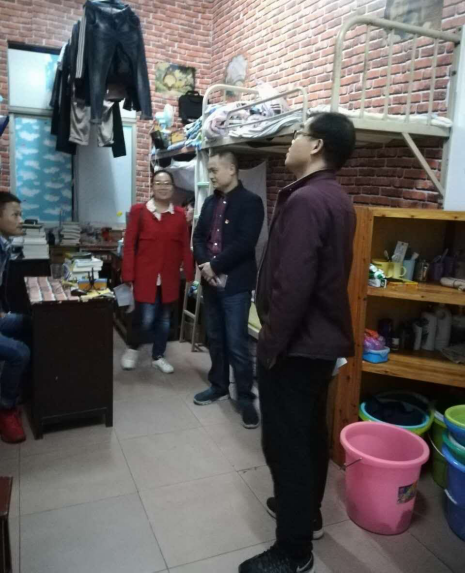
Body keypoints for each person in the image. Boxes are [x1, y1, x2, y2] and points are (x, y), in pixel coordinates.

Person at [240, 113, 357, 574]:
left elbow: (293, 285)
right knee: (308, 436)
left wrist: (269, 343)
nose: (290, 142)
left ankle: (293, 551)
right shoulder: (336, 197)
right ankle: (307, 515)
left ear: (317, 145)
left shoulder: (307, 200)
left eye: (297, 134)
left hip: (296, 345)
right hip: (318, 344)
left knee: (284, 445)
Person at [193, 151, 265, 429]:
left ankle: (245, 398)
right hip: (210, 282)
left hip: (235, 283)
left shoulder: (251, 202)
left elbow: (246, 243)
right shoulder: (210, 202)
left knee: (236, 343)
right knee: (215, 337)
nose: (210, 175)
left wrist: (215, 265)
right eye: (209, 170)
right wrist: (204, 266)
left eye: (214, 170)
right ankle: (219, 386)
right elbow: (199, 237)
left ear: (232, 169)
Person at [121, 170, 194, 374]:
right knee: (145, 319)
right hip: (145, 276)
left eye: (167, 183)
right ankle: (132, 348)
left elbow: (184, 246)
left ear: (173, 187)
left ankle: (158, 356)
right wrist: (128, 274)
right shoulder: (139, 211)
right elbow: (129, 245)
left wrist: (189, 274)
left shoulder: (179, 215)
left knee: (164, 320)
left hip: (169, 277)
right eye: (158, 183)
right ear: (152, 186)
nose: (163, 187)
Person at [0, 192, 31, 444]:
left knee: (29, 323)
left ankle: (22, 387)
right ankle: (6, 408)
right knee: (19, 352)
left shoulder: (5, 245)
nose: (21, 220)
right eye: (15, 215)